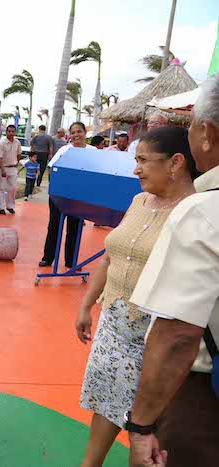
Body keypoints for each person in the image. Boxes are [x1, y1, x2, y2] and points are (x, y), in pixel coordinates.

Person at [74, 127, 200, 467]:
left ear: (175, 163)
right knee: (106, 403)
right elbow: (110, 257)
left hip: (155, 336)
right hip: (113, 326)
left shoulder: (194, 212)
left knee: (145, 424)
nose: (136, 169)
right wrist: (87, 305)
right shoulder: (139, 201)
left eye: (144, 160)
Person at [127, 75, 219, 467]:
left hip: (203, 400)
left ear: (207, 134)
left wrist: (141, 426)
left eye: (193, 125)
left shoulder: (202, 211)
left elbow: (178, 335)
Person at [39, 122, 94, 268]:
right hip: (59, 195)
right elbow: (52, 169)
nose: (76, 135)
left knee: (74, 228)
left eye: (79, 131)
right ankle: (48, 258)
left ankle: (71, 261)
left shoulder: (93, 151)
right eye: (73, 132)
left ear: (85, 133)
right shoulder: (64, 150)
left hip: (79, 197)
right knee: (54, 226)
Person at [0, 124, 21, 215]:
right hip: (4, 167)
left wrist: (17, 162)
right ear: (6, 132)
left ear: (15, 132)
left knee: (13, 188)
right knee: (0, 188)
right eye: (9, 131)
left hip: (13, 168)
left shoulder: (17, 142)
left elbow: (19, 153)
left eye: (13, 131)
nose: (11, 133)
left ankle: (10, 206)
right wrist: (2, 170)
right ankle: (1, 207)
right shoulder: (2, 143)